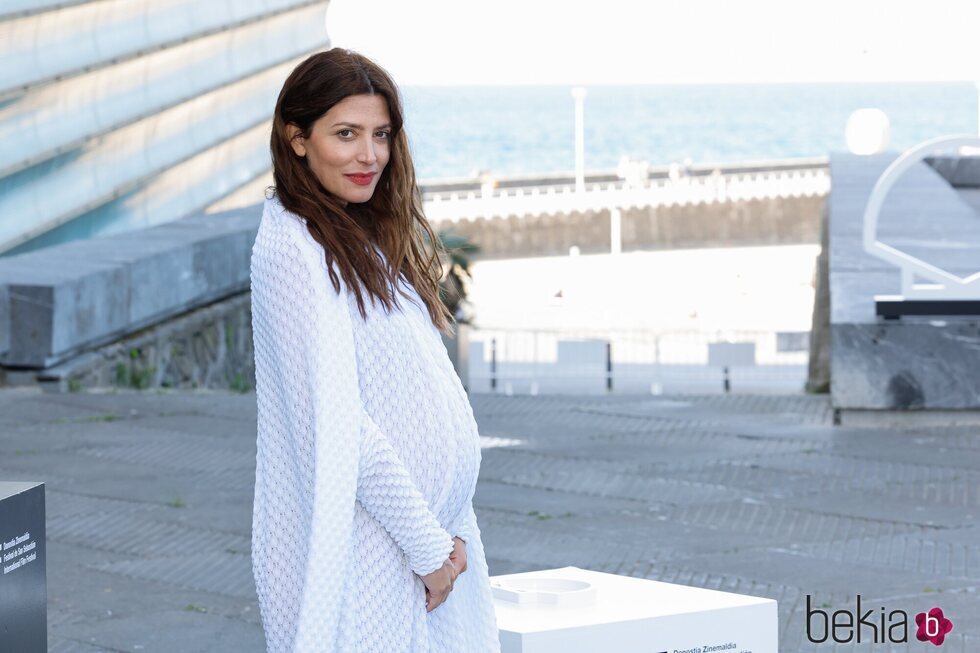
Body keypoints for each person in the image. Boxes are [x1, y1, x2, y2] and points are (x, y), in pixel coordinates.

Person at [249, 49, 501, 652]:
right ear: (297, 139)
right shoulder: (291, 250)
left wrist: (449, 529)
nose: (370, 155)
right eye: (346, 134)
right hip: (370, 546)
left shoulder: (358, 233)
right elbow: (335, 426)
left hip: (429, 543)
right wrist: (429, 546)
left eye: (381, 135)